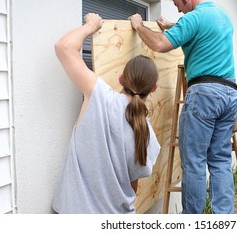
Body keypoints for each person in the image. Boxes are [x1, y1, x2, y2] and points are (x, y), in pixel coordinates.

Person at [129, 0, 237, 214]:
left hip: (205, 95)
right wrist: (172, 26)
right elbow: (197, 34)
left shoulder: (194, 18)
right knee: (220, 160)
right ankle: (224, 218)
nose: (179, 11)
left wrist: (138, 26)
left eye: (178, 4)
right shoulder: (222, 17)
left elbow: (159, 45)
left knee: (195, 163)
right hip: (230, 94)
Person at [52, 13, 160, 214]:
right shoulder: (147, 133)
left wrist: (92, 25)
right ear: (153, 89)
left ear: (121, 79)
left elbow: (64, 46)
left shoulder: (100, 97)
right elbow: (133, 186)